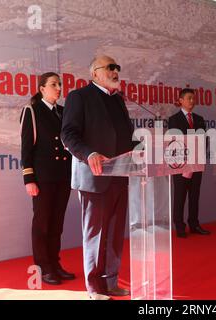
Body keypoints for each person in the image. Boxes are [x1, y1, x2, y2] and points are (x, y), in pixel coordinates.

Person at [61, 55, 133, 300]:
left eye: (117, 67)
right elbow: (68, 135)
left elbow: (124, 138)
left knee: (114, 235)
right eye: (110, 67)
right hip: (94, 176)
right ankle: (94, 289)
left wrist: (145, 147)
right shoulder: (79, 97)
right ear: (94, 73)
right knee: (95, 235)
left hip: (120, 175)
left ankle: (111, 282)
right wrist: (88, 153)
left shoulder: (118, 100)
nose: (115, 71)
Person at [20, 72, 75, 285]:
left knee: (56, 224)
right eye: (53, 84)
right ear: (42, 88)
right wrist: (29, 179)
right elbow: (26, 149)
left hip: (62, 176)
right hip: (43, 178)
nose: (59, 88)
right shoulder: (32, 111)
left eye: (60, 84)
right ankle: (44, 268)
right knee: (42, 224)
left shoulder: (63, 112)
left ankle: (55, 263)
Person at [168, 88, 211, 238]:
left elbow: (204, 139)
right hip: (181, 165)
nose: (192, 101)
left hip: (196, 164)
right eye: (188, 98)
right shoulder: (174, 119)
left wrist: (197, 156)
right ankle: (179, 226)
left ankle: (194, 224)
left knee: (194, 196)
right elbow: (174, 142)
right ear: (181, 100)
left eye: (193, 98)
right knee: (180, 196)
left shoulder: (199, 119)